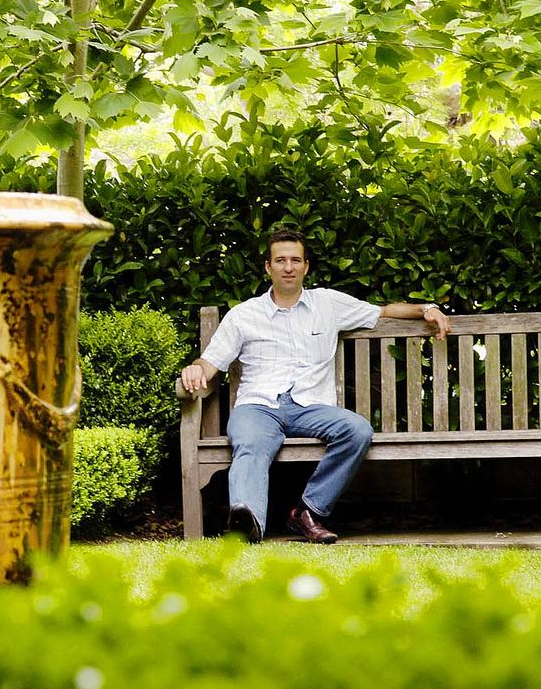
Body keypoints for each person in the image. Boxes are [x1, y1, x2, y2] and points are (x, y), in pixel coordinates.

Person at [179, 228, 452, 544]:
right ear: (268, 267)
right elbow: (209, 362)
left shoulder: (328, 304)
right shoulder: (244, 315)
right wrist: (194, 370)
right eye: (280, 260)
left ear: (306, 266)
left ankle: (307, 511)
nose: (289, 267)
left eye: (295, 260)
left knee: (357, 430)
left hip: (310, 406)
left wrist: (426, 308)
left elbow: (384, 311)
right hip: (258, 407)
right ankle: (247, 526)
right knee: (251, 444)